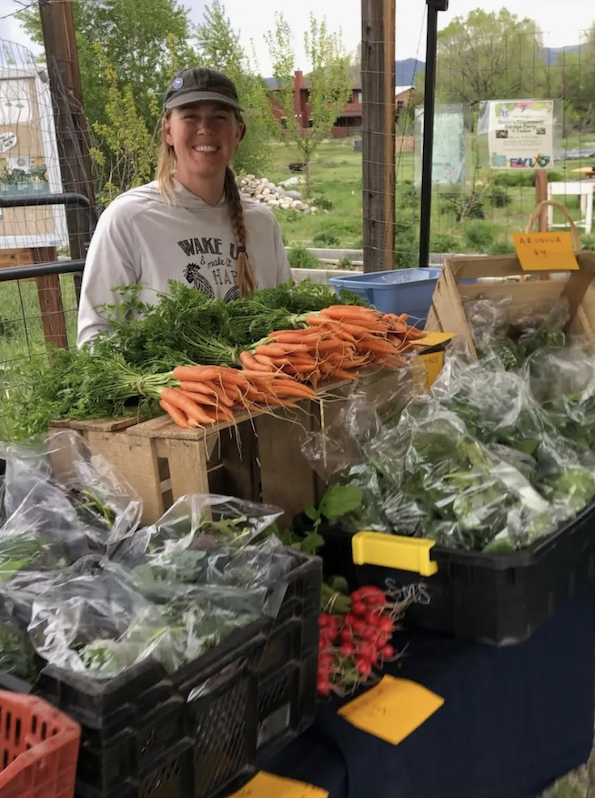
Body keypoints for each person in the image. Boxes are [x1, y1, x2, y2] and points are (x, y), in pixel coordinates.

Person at [77, 67, 292, 347]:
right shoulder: (130, 219)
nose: (206, 129)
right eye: (190, 116)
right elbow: (95, 335)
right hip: (163, 389)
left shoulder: (261, 223)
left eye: (219, 117)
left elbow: (287, 318)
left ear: (238, 132)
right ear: (168, 130)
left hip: (260, 389)